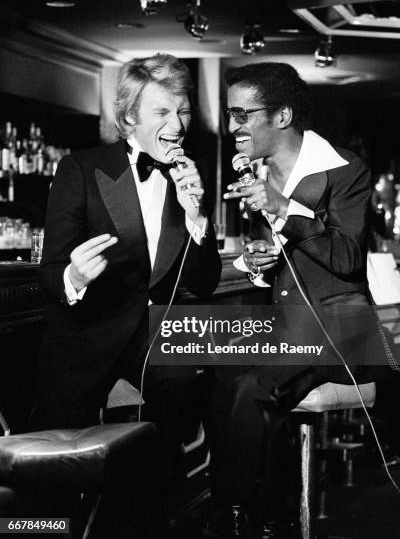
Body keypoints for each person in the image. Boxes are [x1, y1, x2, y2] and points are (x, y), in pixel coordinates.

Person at [29, 53, 221, 536]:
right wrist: (74, 276)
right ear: (131, 116)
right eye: (163, 112)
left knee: (178, 390)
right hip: (87, 332)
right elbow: (50, 274)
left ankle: (145, 515)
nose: (177, 125)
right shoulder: (82, 168)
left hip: (152, 336)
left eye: (182, 111)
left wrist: (197, 216)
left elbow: (205, 281)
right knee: (47, 469)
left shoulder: (188, 178)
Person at [205, 62, 389, 538]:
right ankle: (265, 508)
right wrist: (255, 262)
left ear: (282, 115)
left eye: (242, 115)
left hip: (341, 327)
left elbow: (347, 258)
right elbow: (280, 261)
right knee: (212, 372)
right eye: (230, 115)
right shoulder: (254, 172)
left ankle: (242, 518)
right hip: (286, 326)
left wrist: (286, 209)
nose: (232, 128)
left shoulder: (343, 170)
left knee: (252, 387)